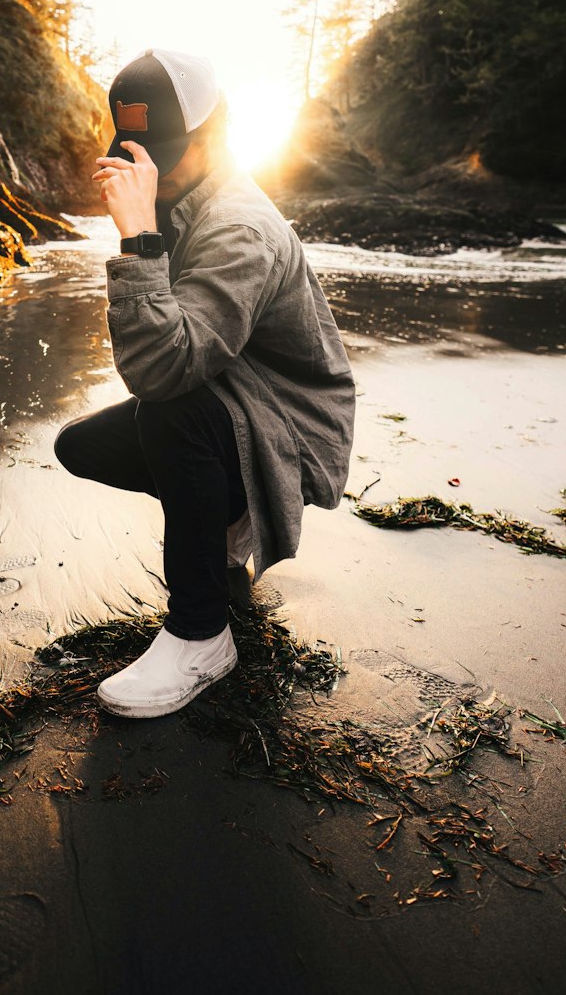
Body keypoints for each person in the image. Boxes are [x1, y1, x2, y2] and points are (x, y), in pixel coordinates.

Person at [53, 48, 356, 718]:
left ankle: (201, 634)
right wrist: (147, 234)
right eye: (137, 147)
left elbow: (164, 371)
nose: (149, 170)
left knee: (172, 415)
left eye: (165, 150)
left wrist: (137, 241)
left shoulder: (239, 227)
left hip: (295, 428)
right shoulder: (184, 197)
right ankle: (225, 532)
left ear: (216, 136)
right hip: (242, 396)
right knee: (83, 445)